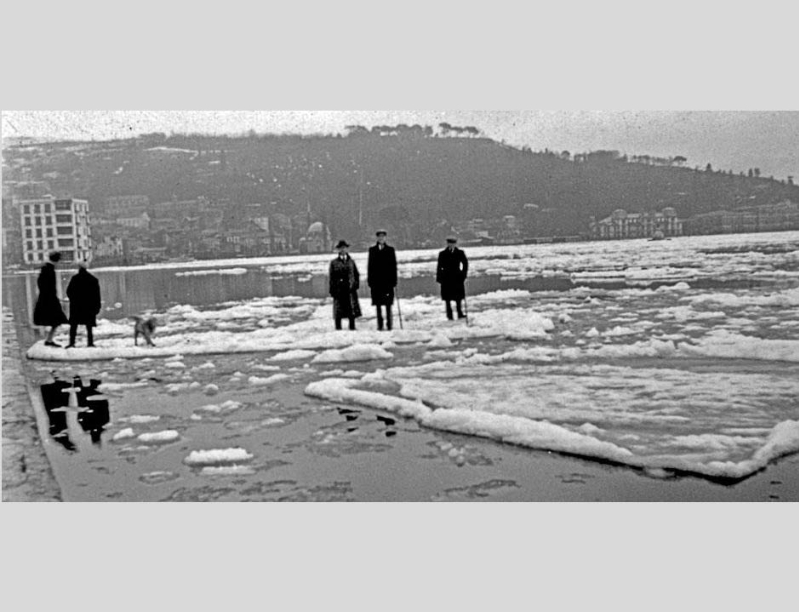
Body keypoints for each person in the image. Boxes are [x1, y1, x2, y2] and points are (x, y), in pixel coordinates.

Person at [33, 251, 68, 347]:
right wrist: (52, 296)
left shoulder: (46, 268)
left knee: (54, 320)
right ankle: (48, 340)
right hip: (49, 299)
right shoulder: (49, 269)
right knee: (56, 320)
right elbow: (49, 286)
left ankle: (48, 339)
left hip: (47, 298)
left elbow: (41, 283)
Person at [66, 260, 101, 348]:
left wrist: (73, 299)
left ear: (79, 268)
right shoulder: (93, 279)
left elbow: (69, 291)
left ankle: (71, 343)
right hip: (89, 306)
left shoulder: (75, 278)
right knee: (89, 326)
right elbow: (97, 295)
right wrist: (97, 307)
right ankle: (90, 343)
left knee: (74, 325)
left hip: (76, 306)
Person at [367, 229, 398, 331]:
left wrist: (394, 281)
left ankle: (389, 325)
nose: (381, 239)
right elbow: (370, 267)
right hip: (377, 283)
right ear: (377, 238)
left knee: (388, 304)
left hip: (388, 282)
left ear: (385, 238)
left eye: (383, 237)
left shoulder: (390, 250)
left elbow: (393, 267)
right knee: (378, 305)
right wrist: (370, 281)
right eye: (379, 237)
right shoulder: (372, 250)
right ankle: (380, 325)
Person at [329, 240, 362, 330]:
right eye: (341, 248)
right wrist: (332, 290)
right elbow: (332, 277)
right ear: (338, 250)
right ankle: (338, 329)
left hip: (350, 290)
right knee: (338, 312)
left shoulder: (351, 261)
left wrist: (355, 285)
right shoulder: (334, 263)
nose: (343, 250)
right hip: (339, 290)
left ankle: (352, 328)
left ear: (347, 249)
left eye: (344, 248)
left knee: (351, 311)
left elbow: (356, 274)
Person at [436, 236, 469, 320]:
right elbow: (439, 267)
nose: (451, 245)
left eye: (453, 243)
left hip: (457, 277)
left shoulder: (460, 253)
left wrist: (463, 274)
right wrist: (439, 278)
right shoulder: (442, 254)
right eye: (450, 243)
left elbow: (465, 264)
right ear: (447, 244)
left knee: (458, 297)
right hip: (446, 278)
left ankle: (460, 313)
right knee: (447, 298)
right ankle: (449, 315)